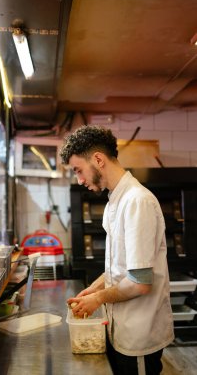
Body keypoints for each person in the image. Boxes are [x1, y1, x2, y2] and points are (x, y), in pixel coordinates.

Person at [60, 125, 174, 375]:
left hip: (139, 335)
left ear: (98, 159)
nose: (79, 180)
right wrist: (95, 288)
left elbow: (140, 282)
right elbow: (122, 266)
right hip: (121, 328)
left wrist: (97, 299)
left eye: (79, 170)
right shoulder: (116, 200)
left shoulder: (137, 201)